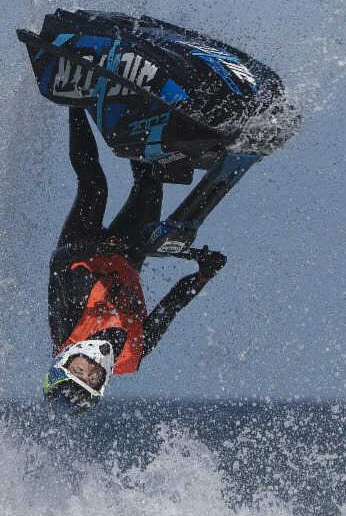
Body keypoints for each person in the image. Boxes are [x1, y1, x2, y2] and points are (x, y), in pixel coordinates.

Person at [44, 109, 226, 413]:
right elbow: (171, 307)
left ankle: (76, 105)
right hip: (127, 256)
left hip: (81, 250)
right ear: (102, 384)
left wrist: (95, 246)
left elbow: (58, 262)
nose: (89, 368)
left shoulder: (65, 330)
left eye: (78, 371)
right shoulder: (133, 354)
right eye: (92, 379)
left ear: (64, 362)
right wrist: (203, 275)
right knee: (150, 185)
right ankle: (137, 113)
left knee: (94, 186)